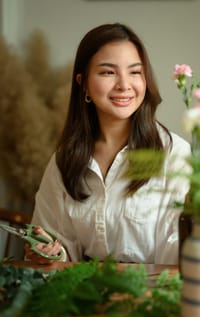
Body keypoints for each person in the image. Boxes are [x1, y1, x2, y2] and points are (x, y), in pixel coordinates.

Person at [25, 23, 190, 265]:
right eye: (108, 72)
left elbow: (179, 250)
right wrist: (49, 253)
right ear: (83, 83)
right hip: (81, 294)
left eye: (135, 72)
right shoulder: (65, 160)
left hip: (152, 295)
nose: (124, 85)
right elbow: (60, 244)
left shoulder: (174, 154)